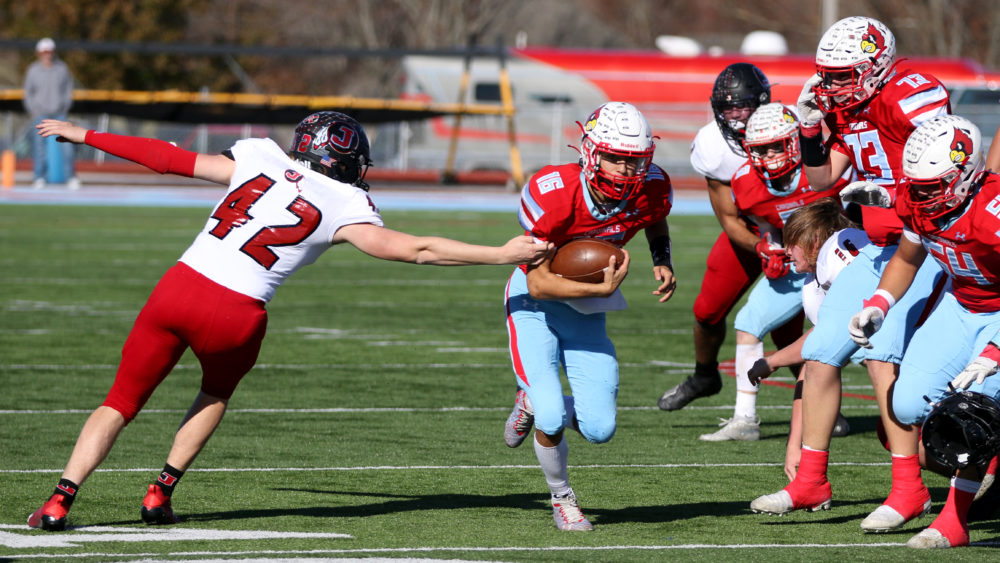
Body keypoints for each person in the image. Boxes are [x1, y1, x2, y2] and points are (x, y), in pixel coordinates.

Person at [25, 112, 553, 532]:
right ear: (345, 161)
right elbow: (415, 250)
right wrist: (499, 252)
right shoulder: (348, 201)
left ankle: (58, 501)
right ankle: (160, 492)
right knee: (213, 395)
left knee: (119, 402)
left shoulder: (259, 156)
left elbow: (168, 158)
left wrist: (84, 134)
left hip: (179, 287)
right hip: (238, 312)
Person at [750, 16, 952, 533]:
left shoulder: (910, 94)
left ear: (876, 66)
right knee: (821, 354)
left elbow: (946, 171)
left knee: (880, 357)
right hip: (879, 247)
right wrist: (813, 128)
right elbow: (821, 179)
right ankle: (811, 481)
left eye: (843, 75)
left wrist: (892, 198)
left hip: (921, 246)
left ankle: (908, 489)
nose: (832, 85)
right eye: (828, 75)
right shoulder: (845, 106)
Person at [501, 101, 675, 531]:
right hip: (534, 305)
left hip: (586, 309)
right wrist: (599, 287)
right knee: (552, 417)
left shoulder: (652, 187)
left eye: (634, 162)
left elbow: (654, 219)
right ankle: (562, 498)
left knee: (599, 429)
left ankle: (537, 403)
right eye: (616, 159)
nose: (624, 171)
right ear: (591, 152)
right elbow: (540, 283)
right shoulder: (555, 192)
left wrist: (662, 258)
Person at [848, 115, 1000, 548]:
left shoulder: (991, 214)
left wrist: (996, 351)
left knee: (971, 414)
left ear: (965, 174)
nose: (921, 194)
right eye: (916, 184)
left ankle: (954, 522)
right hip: (962, 304)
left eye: (932, 185)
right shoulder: (921, 196)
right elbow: (908, 258)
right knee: (909, 404)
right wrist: (879, 303)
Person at [658, 63, 804, 412]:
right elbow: (728, 217)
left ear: (764, 102)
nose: (737, 117)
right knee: (707, 310)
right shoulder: (713, 144)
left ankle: (816, 402)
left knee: (787, 326)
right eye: (729, 109)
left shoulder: (796, 123)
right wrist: (760, 246)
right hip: (753, 229)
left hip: (803, 229)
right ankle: (705, 375)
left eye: (744, 106)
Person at [699, 103, 845, 441]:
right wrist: (769, 248)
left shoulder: (825, 168)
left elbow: (856, 217)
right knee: (749, 323)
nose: (769, 155)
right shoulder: (746, 181)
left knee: (867, 348)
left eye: (775, 145)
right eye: (760, 149)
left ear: (794, 141)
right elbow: (770, 226)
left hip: (839, 266)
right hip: (798, 268)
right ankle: (744, 419)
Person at [748, 198, 868, 478]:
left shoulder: (835, 259)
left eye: (794, 242)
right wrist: (794, 446)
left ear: (816, 240)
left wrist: (772, 361)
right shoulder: (816, 275)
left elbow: (829, 334)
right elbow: (816, 359)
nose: (787, 250)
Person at [23, 37, 78, 190]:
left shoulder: (62, 69)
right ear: (39, 53)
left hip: (59, 114)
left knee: (67, 146)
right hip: (40, 115)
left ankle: (71, 177)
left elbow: (68, 90)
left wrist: (65, 107)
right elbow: (28, 93)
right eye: (44, 51)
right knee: (39, 147)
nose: (47, 54)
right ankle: (39, 177)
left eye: (50, 51)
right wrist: (34, 110)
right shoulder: (33, 70)